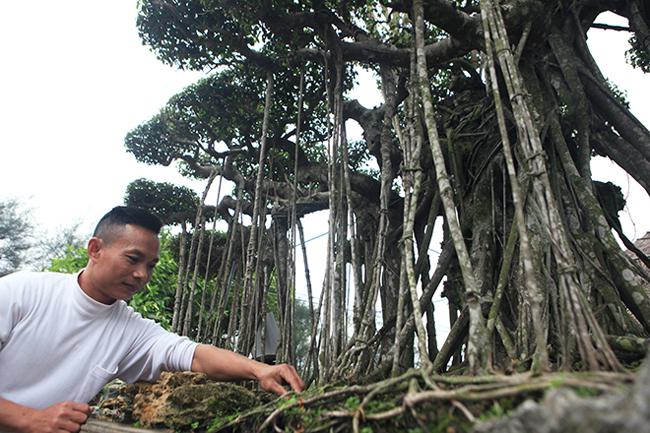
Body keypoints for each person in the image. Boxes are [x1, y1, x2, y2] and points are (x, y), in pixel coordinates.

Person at [0, 206, 304, 433]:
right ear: (95, 249)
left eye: (151, 265)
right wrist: (31, 419)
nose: (141, 275)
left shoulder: (130, 330)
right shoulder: (21, 291)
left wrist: (259, 369)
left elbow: (193, 355)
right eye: (133, 259)